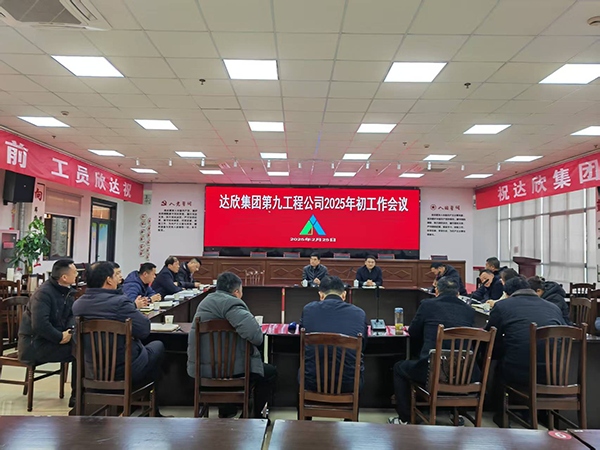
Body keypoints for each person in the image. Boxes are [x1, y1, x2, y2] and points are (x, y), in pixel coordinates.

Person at [187, 272, 277, 418]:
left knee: (225, 357)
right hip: (230, 374)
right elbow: (256, 336)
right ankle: (253, 417)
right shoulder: (232, 303)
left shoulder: (205, 302)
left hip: (201, 371)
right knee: (269, 372)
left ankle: (227, 409)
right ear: (236, 292)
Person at [390, 278, 475, 425]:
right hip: (465, 373)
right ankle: (456, 414)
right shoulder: (470, 311)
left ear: (436, 291)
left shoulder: (427, 305)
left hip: (432, 371)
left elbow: (414, 332)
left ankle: (405, 418)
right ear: (458, 293)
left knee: (399, 368)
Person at [73, 262, 165, 386]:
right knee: (158, 346)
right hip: (124, 370)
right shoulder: (119, 302)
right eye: (116, 275)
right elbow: (144, 330)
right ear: (109, 280)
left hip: (92, 370)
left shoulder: (78, 304)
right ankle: (146, 394)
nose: (120, 279)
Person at [485, 276, 566, 388]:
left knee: (496, 362)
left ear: (507, 294)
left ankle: (491, 398)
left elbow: (491, 338)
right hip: (554, 374)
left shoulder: (502, 306)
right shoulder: (553, 308)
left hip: (520, 376)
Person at [18, 259, 78, 405]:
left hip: (50, 341)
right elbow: (40, 325)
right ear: (64, 277)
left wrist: (69, 332)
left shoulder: (67, 291)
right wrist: (59, 337)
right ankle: (77, 397)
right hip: (34, 344)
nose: (77, 275)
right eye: (75, 272)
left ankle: (80, 394)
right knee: (79, 352)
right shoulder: (44, 293)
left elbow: (71, 315)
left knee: (81, 347)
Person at [300, 276, 368, 392]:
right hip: (349, 384)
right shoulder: (359, 313)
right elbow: (363, 346)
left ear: (321, 295)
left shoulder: (308, 310)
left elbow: (302, 343)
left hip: (312, 382)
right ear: (344, 295)